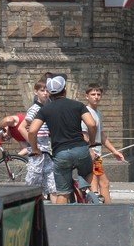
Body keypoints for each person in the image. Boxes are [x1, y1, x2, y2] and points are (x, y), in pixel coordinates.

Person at [27, 76, 96, 204]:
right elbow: (91, 124)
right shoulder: (78, 105)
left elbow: (32, 131)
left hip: (61, 153)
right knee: (88, 172)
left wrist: (35, 148)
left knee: (63, 193)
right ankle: (94, 194)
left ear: (50, 93)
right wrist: (91, 141)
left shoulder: (45, 110)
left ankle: (59, 222)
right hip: (80, 149)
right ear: (64, 90)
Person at [83, 83, 127, 204]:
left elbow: (102, 135)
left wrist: (114, 151)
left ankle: (103, 209)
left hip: (97, 155)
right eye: (93, 94)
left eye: (98, 94)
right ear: (87, 96)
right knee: (102, 183)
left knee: (99, 184)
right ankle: (107, 210)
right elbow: (84, 135)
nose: (96, 97)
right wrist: (90, 151)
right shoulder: (86, 113)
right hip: (91, 156)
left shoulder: (98, 113)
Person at [22, 79, 56, 202]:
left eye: (47, 91)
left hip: (47, 150)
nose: (45, 93)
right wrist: (33, 144)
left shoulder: (46, 107)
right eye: (42, 91)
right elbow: (22, 127)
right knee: (33, 181)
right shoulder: (35, 109)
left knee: (51, 182)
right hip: (38, 151)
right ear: (36, 92)